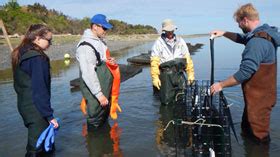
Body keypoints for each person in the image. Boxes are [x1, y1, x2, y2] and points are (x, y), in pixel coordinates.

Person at [210, 3, 280, 143]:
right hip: (260, 98)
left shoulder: (257, 43)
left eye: (238, 22)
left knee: (259, 139)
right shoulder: (263, 34)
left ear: (245, 20)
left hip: (259, 101)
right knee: (247, 130)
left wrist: (221, 85)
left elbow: (245, 73)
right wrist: (224, 33)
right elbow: (243, 38)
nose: (238, 26)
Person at [12, 24, 59, 156]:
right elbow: (40, 89)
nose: (51, 43)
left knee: (44, 145)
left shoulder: (20, 52)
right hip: (36, 109)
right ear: (37, 39)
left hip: (24, 105)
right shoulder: (37, 57)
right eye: (49, 40)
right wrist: (49, 115)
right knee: (36, 147)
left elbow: (19, 85)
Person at [76, 14, 121, 129]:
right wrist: (99, 95)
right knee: (95, 120)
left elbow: (100, 60)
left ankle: (105, 144)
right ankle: (94, 143)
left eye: (107, 28)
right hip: (96, 93)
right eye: (104, 28)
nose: (106, 31)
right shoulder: (85, 46)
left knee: (103, 120)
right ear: (95, 26)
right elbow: (88, 73)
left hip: (104, 88)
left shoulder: (100, 41)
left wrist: (108, 60)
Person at [150, 19, 195, 105]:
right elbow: (154, 62)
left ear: (174, 30)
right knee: (166, 101)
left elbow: (188, 59)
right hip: (166, 75)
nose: (170, 33)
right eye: (168, 31)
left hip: (179, 74)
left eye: (171, 30)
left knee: (181, 99)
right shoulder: (158, 43)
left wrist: (190, 75)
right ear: (164, 30)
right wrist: (155, 78)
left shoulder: (180, 41)